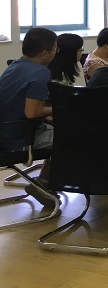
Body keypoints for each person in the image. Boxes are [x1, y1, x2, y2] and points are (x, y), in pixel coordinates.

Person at [0, 28, 58, 207]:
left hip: (5, 132)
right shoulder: (41, 73)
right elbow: (32, 113)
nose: (55, 53)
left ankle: (44, 182)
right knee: (72, 135)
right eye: (55, 49)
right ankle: (46, 184)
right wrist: (58, 109)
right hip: (19, 139)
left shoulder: (15, 66)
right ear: (44, 53)